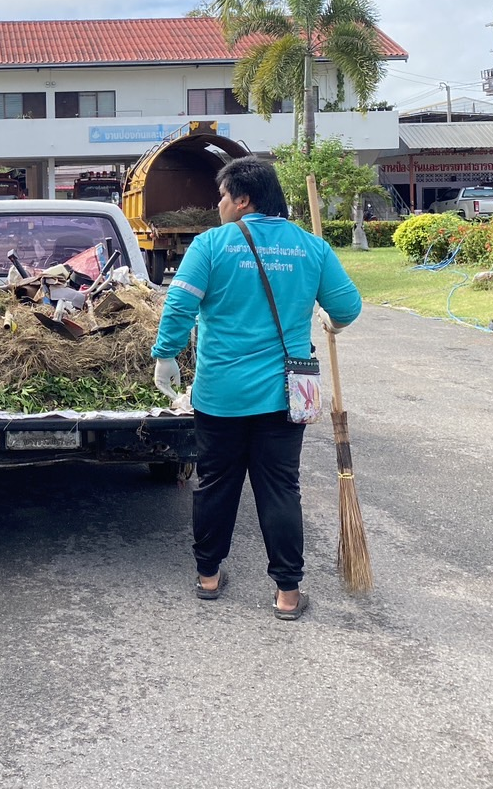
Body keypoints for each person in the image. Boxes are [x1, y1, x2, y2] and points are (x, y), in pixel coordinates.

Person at [151, 156, 362, 621]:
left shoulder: (210, 246)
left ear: (243, 199)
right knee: (281, 489)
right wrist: (333, 320)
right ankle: (287, 594)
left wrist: (165, 355)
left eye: (223, 197)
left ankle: (208, 577)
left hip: (221, 395)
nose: (220, 205)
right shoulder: (312, 247)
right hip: (287, 396)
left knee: (215, 484)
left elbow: (180, 307)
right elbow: (347, 306)